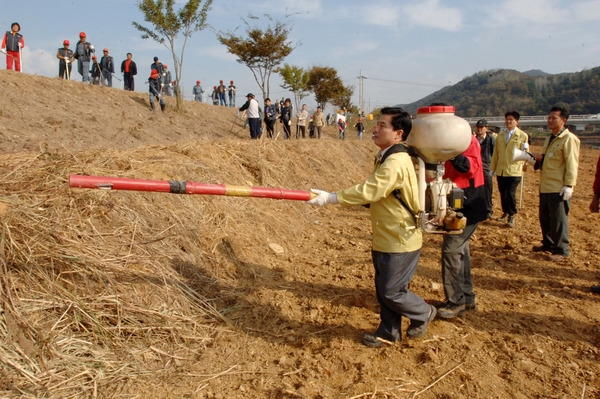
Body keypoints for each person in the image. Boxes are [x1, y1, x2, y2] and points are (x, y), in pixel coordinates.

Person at [307, 107, 436, 346]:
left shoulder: (395, 161)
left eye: (382, 125)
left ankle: (423, 311)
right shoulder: (386, 156)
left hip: (399, 238)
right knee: (384, 289)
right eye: (377, 124)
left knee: (392, 291)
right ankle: (389, 332)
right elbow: (377, 194)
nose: (375, 128)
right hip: (386, 235)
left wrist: (331, 198)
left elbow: (371, 189)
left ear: (398, 133)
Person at [437, 132, 487, 318]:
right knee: (461, 249)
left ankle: (456, 301)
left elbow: (470, 168)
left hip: (468, 202)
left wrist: (451, 152)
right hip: (459, 200)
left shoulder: (465, 139)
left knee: (451, 249)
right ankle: (466, 296)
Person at [531, 106, 580, 260]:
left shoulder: (569, 139)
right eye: (549, 117)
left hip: (558, 186)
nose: (550, 120)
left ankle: (562, 250)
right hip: (546, 185)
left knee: (558, 219)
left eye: (554, 118)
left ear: (563, 121)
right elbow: (546, 160)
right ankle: (548, 243)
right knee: (545, 217)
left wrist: (569, 185)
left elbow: (572, 163)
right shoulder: (549, 138)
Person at [489, 111, 529, 228]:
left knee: (510, 193)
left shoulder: (522, 135)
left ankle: (512, 214)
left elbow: (525, 152)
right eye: (507, 119)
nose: (508, 122)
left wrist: (524, 164)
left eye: (511, 120)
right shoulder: (500, 135)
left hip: (514, 170)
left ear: (517, 121)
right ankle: (505, 212)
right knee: (502, 193)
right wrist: (493, 168)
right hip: (501, 170)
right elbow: (496, 153)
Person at [475, 119, 496, 220]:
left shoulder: (491, 140)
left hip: (486, 168)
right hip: (475, 168)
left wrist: (493, 168)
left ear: (486, 128)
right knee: (476, 189)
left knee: (488, 189)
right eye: (478, 127)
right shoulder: (473, 140)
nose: (479, 129)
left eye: (481, 127)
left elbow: (495, 154)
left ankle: (488, 210)